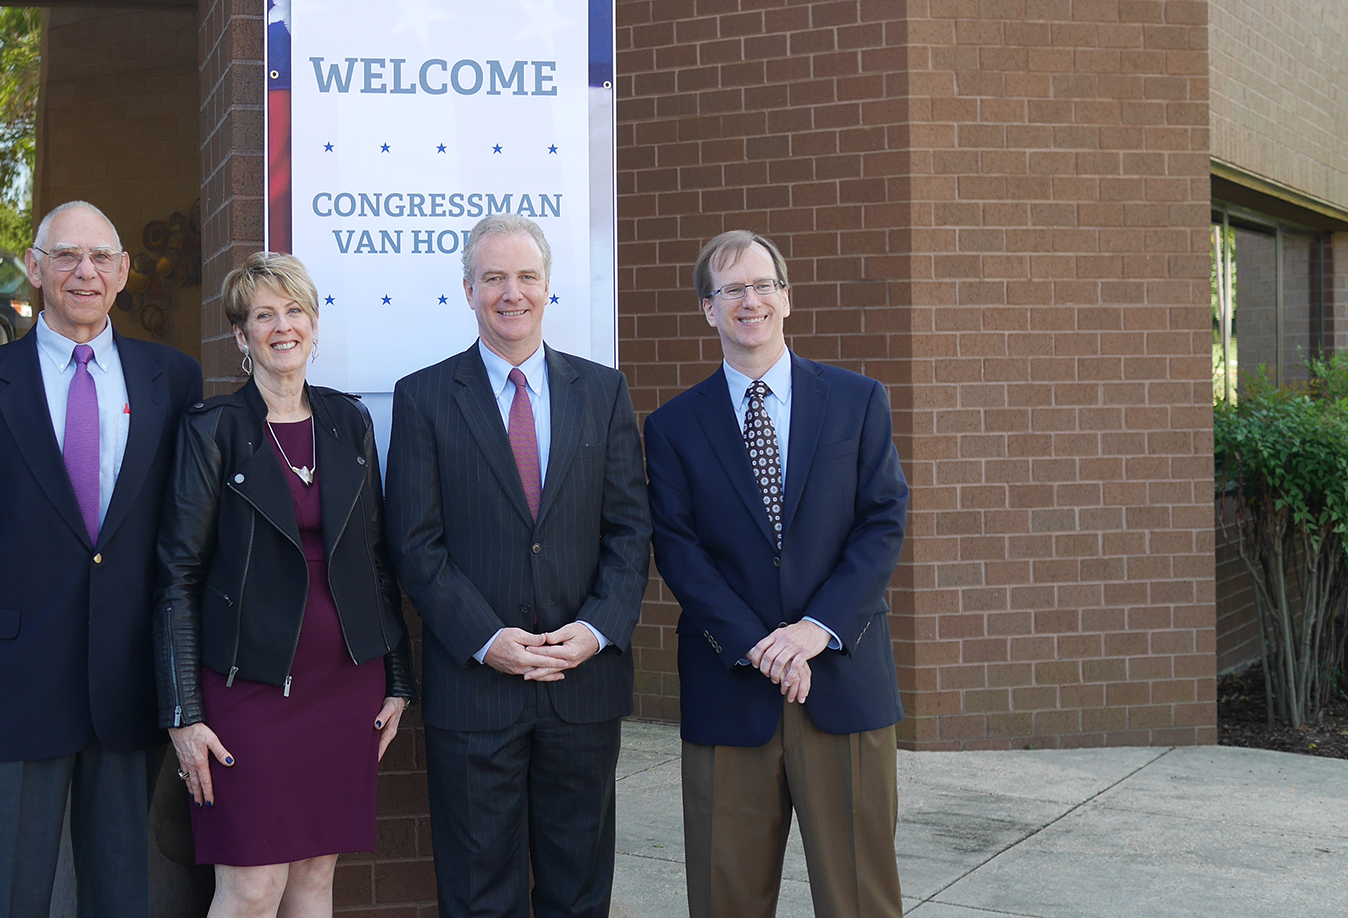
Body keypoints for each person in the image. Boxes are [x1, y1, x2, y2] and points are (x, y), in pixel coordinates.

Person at [0, 200, 203, 918]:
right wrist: (5, 614)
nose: (85, 272)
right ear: (34, 267)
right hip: (11, 676)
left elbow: (180, 530)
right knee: (6, 889)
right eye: (67, 256)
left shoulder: (172, 380)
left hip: (127, 678)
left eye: (101, 257)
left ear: (123, 272)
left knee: (123, 889)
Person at [385, 215, 651, 918]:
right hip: (476, 688)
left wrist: (595, 630)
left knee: (578, 889)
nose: (512, 293)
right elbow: (414, 542)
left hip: (581, 682)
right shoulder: (423, 397)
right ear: (467, 289)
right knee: (478, 895)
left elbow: (629, 531)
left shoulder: (603, 392)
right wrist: (485, 637)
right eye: (494, 278)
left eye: (526, 276)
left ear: (548, 286)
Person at [643, 230, 909, 918]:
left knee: (860, 899)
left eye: (763, 286)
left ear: (787, 299)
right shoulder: (671, 427)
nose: (749, 301)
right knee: (725, 897)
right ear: (707, 308)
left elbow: (881, 522)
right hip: (729, 688)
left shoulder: (857, 401)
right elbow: (677, 550)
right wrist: (762, 646)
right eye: (731, 289)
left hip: (841, 682)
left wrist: (814, 631)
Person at [154, 251, 416, 918]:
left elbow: (373, 558)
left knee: (314, 874)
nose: (282, 326)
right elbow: (177, 577)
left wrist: (398, 678)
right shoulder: (213, 430)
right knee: (250, 886)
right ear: (240, 337)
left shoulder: (347, 422)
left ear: (314, 324)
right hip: (249, 690)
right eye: (262, 315)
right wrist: (184, 711)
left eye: (294, 310)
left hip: (343, 687)